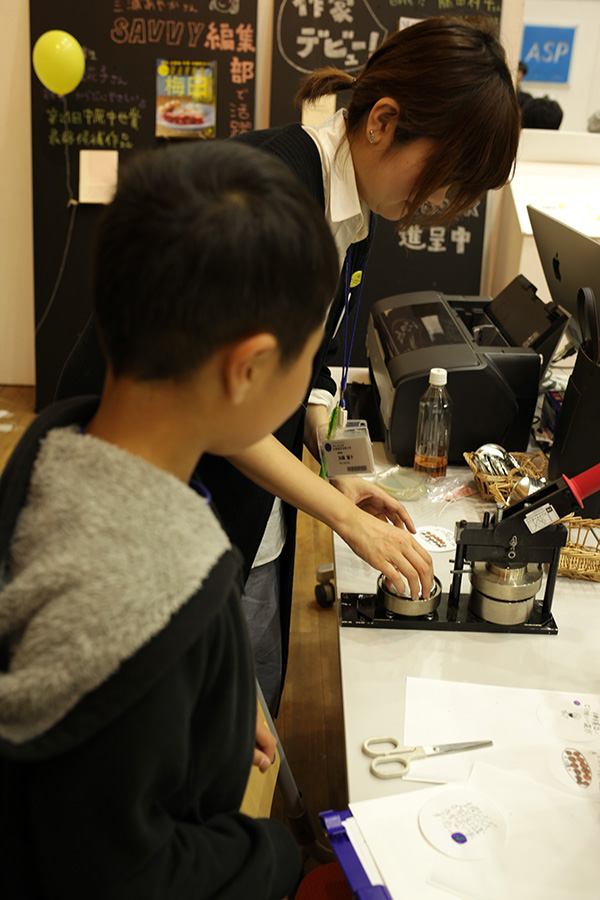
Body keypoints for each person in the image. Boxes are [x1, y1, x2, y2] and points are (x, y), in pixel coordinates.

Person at [55, 15, 521, 714]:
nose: (439, 207)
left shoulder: (352, 209)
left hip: (227, 507)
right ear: (384, 122)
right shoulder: (272, 196)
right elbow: (214, 405)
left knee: (244, 702)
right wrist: (341, 512)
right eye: (444, 180)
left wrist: (339, 467)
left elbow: (309, 370)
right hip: (144, 509)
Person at [0, 140, 341, 899]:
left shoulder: (56, 444)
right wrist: (275, 862)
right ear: (249, 368)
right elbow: (124, 872)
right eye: (307, 357)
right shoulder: (152, 601)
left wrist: (202, 706)